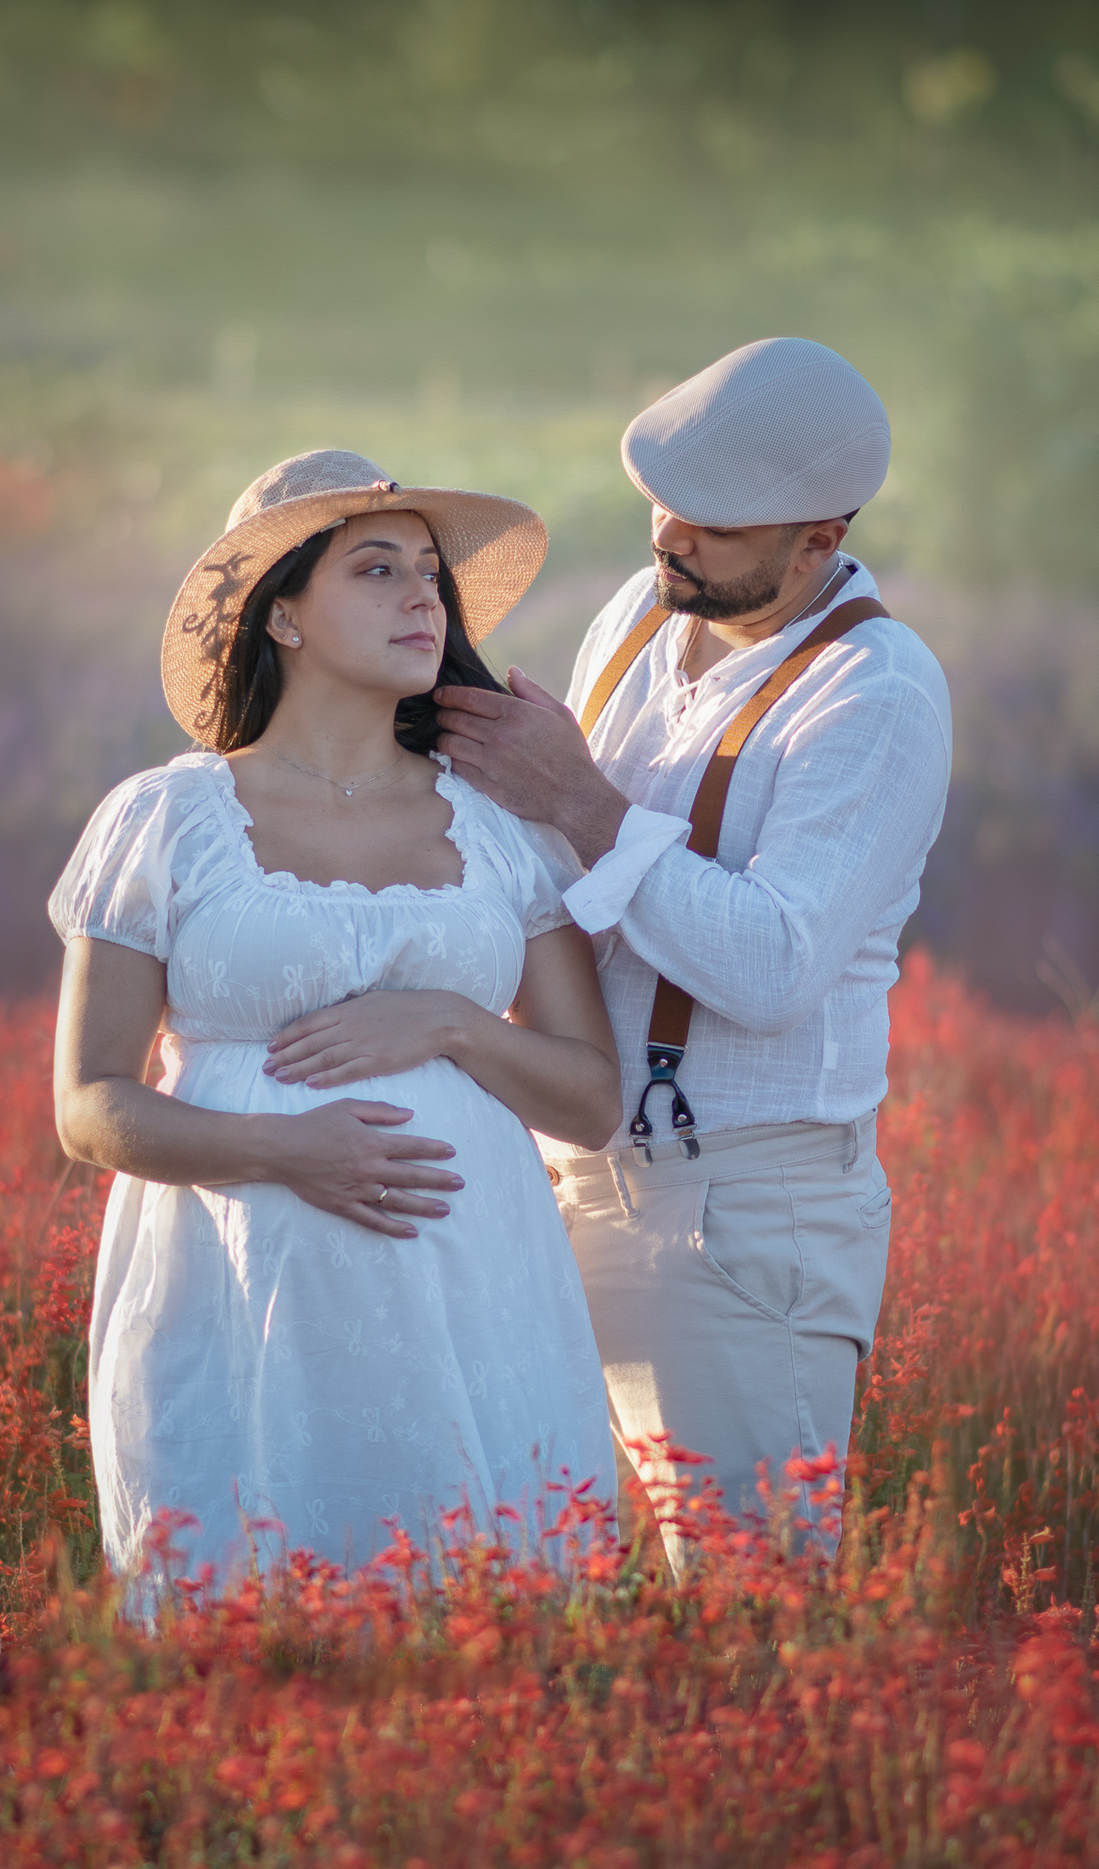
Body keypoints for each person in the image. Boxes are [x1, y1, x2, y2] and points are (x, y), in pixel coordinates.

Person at [421, 337, 952, 1563]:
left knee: (747, 1604)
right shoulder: (639, 617)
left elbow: (773, 963)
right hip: (566, 1183)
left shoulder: (876, 694)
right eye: (663, 501)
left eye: (711, 524)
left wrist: (582, 797)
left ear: (818, 540)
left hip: (741, 1210)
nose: (670, 536)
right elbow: (563, 871)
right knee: (573, 1584)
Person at [50, 449, 620, 1585]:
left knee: (476, 1614)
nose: (423, 597)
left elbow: (593, 1101)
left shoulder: (505, 827)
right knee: (254, 1620)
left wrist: (453, 1024)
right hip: (242, 1279)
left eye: (428, 574)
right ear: (285, 618)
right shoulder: (166, 818)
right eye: (375, 569)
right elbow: (89, 1106)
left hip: (475, 1283)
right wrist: (280, 1151)